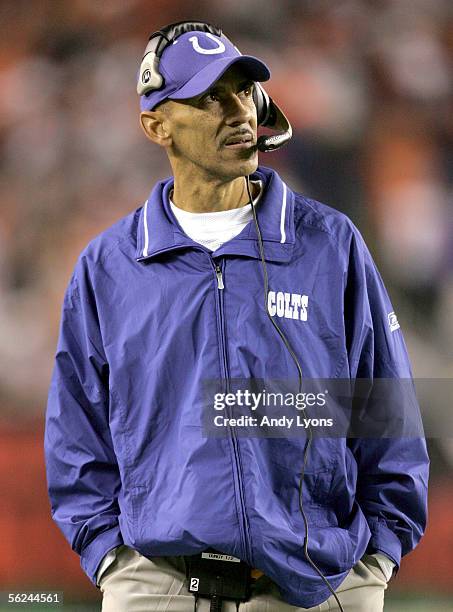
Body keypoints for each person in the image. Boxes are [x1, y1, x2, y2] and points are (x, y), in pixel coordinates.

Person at [44, 21, 429, 612]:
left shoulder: (328, 244)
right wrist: (110, 559)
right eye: (207, 99)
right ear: (156, 125)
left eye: (243, 90)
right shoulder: (109, 267)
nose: (237, 111)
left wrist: (377, 557)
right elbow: (78, 433)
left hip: (317, 581)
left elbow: (386, 408)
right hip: (158, 582)